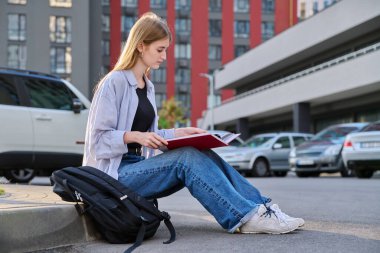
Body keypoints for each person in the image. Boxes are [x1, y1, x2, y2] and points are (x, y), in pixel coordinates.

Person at [83, 12, 304, 235]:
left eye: (166, 50)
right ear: (141, 45)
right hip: (114, 176)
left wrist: (179, 133)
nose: (165, 56)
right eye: (160, 49)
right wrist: (133, 136)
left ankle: (263, 209)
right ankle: (244, 217)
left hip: (137, 166)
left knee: (201, 151)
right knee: (186, 159)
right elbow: (98, 141)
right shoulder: (114, 83)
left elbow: (152, 136)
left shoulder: (147, 87)